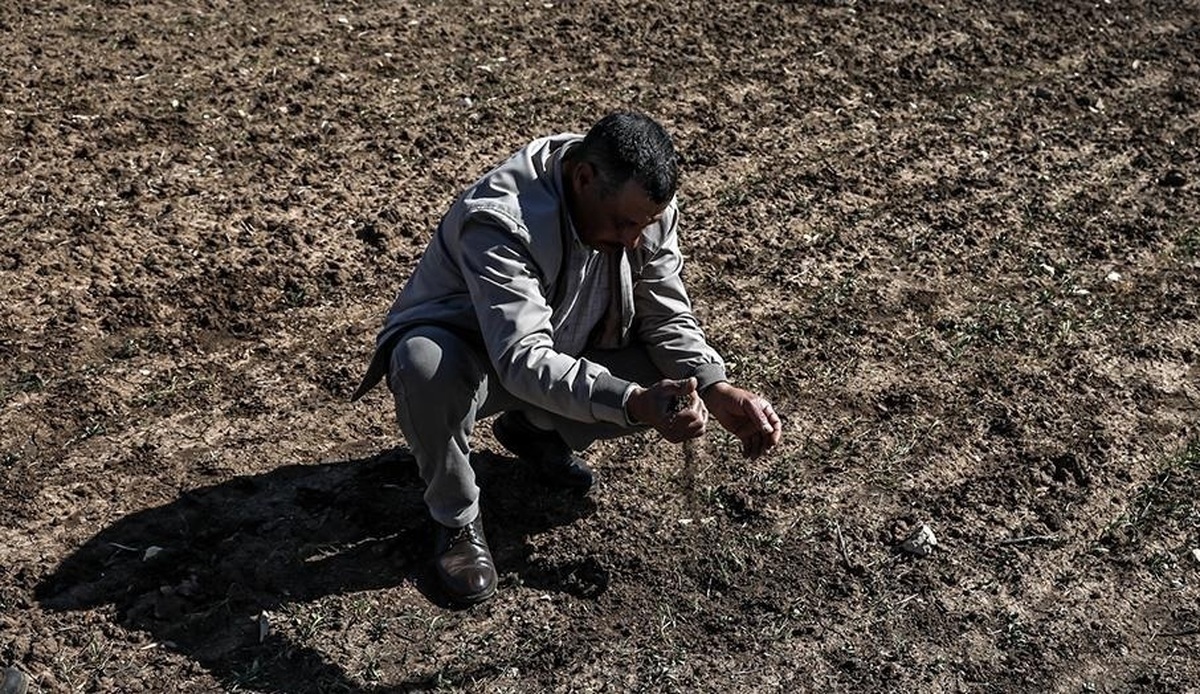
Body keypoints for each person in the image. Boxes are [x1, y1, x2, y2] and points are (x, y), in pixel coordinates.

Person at [352, 112, 782, 605]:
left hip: (562, 342)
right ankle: (457, 521)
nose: (632, 240)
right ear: (583, 178)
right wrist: (633, 401)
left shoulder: (638, 203)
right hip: (479, 356)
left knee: (672, 379)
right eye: (623, 224)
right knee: (422, 363)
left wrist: (713, 385)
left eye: (643, 226)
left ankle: (536, 430)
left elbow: (664, 314)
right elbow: (522, 357)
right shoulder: (500, 219)